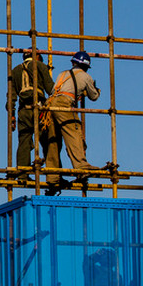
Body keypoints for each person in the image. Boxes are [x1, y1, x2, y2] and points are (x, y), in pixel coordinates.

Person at [45, 51, 100, 187]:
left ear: (73, 63)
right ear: (86, 66)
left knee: (53, 141)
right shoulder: (86, 77)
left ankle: (52, 176)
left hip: (50, 105)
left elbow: (54, 90)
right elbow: (94, 97)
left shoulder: (62, 74)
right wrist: (96, 89)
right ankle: (81, 166)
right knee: (74, 134)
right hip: (64, 104)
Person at [8, 50, 55, 180]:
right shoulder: (39, 66)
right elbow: (50, 88)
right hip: (38, 108)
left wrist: (11, 114)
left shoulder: (15, 70)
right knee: (47, 139)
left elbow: (11, 96)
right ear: (37, 57)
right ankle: (53, 174)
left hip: (23, 110)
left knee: (24, 141)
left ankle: (22, 173)